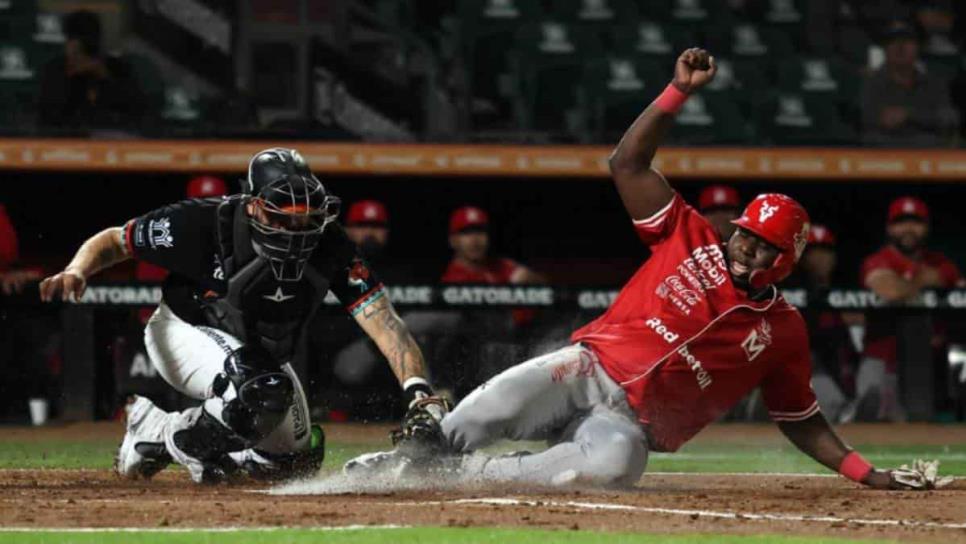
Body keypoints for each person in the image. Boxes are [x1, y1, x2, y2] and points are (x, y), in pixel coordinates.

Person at [346, 49, 937, 491]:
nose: (747, 250)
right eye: (746, 236)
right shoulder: (690, 234)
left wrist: (866, 473)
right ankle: (408, 460)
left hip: (631, 423)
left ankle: (472, 475)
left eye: (765, 248)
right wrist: (677, 93)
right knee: (486, 409)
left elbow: (801, 420)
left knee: (613, 469)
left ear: (786, 261)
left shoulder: (782, 331)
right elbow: (626, 163)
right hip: (585, 369)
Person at [39, 148, 447, 483]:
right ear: (252, 206)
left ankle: (151, 438)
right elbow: (115, 240)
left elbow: (384, 322)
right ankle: (177, 436)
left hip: (256, 356)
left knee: (290, 465)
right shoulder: (203, 222)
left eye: (306, 217)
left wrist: (417, 390)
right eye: (282, 216)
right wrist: (77, 269)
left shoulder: (332, 245)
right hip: (183, 330)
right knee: (262, 390)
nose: (296, 229)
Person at [858, 196, 963, 421]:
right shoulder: (878, 260)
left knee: (920, 422)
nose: (908, 228)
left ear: (926, 228)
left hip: (925, 363)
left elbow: (959, 287)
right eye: (901, 221)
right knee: (871, 421)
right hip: (882, 359)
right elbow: (890, 290)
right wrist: (924, 279)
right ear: (889, 228)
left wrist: (912, 282)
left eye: (916, 222)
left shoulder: (940, 262)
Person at [38, 10, 146, 128]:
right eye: (75, 40)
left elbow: (137, 111)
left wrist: (103, 75)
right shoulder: (55, 69)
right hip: (67, 138)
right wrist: (69, 74)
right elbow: (48, 115)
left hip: (113, 136)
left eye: (88, 40)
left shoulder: (117, 67)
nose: (82, 48)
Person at [797, 225, 860, 423]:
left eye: (825, 251)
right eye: (813, 253)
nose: (820, 258)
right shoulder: (790, 291)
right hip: (807, 377)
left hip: (845, 372)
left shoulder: (847, 291)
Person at [859, 20, 958, 146]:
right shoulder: (871, 82)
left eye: (907, 41)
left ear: (918, 47)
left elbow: (949, 118)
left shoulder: (933, 83)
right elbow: (867, 120)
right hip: (884, 155)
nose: (900, 47)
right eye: (893, 41)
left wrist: (908, 114)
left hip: (929, 153)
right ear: (884, 49)